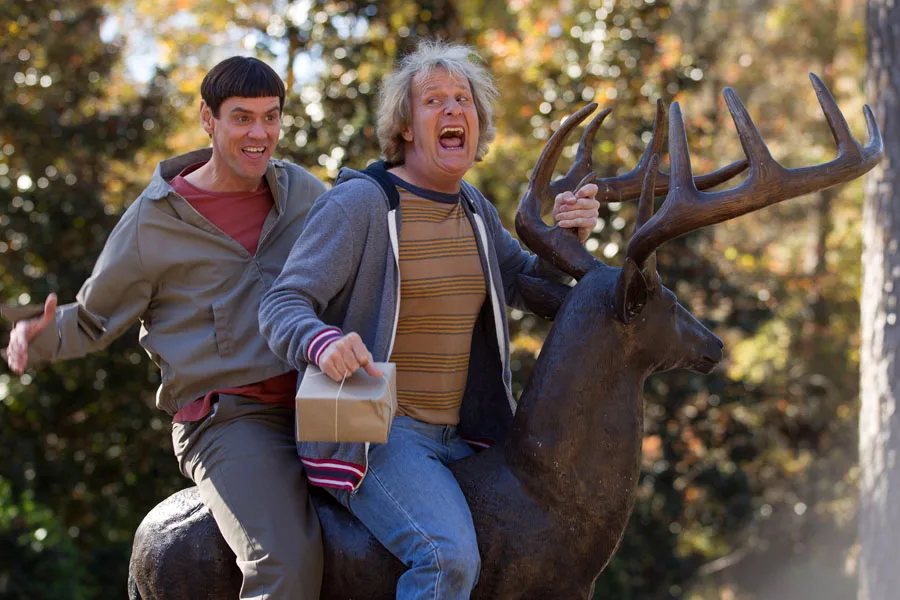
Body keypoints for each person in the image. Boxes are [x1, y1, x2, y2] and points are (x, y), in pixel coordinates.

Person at [258, 40, 600, 599]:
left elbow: (526, 284)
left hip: (464, 436)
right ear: (405, 127)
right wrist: (322, 343)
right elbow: (281, 303)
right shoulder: (362, 204)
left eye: (463, 99)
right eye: (433, 100)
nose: (452, 109)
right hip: (374, 432)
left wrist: (568, 238)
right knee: (445, 559)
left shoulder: (474, 208)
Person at [2, 57, 325, 599]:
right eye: (242, 118)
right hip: (229, 418)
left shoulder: (302, 194)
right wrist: (37, 338)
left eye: (270, 117)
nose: (259, 133)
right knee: (285, 563)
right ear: (207, 119)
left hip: (322, 403)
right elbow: (92, 318)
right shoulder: (154, 220)